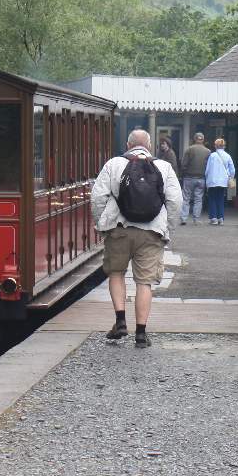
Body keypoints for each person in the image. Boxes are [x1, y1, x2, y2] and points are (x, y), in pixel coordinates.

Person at [90, 129, 182, 347]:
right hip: (152, 231)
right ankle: (141, 333)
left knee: (116, 273)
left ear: (128, 144)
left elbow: (98, 197)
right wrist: (167, 228)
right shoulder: (164, 166)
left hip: (118, 228)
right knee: (144, 282)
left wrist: (102, 224)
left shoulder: (114, 164)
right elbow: (175, 201)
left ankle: (120, 321)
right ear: (149, 146)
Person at [179, 132, 210, 226]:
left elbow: (184, 164)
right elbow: (209, 166)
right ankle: (196, 219)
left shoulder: (189, 149)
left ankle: (184, 218)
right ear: (203, 140)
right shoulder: (208, 151)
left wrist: (183, 173)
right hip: (201, 178)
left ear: (194, 139)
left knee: (186, 198)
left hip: (188, 177)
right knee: (198, 199)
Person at [204, 137, 236, 225]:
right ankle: (221, 218)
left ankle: (213, 218)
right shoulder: (227, 156)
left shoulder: (212, 156)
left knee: (212, 198)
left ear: (215, 146)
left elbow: (208, 169)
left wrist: (206, 178)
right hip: (223, 181)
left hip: (213, 181)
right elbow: (232, 169)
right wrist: (231, 177)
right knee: (220, 199)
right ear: (224, 146)